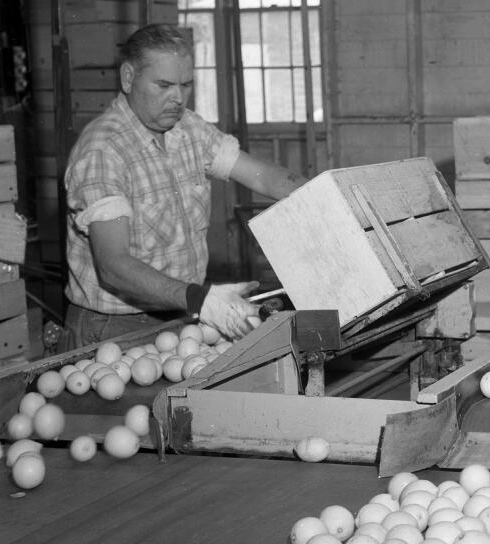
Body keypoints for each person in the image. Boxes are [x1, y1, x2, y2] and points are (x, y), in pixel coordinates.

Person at [61, 24, 306, 350]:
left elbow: (261, 176)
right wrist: (201, 300)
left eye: (185, 85)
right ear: (128, 78)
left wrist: (330, 196)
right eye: (163, 85)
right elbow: (113, 266)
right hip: (113, 328)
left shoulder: (187, 129)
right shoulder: (104, 150)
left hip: (181, 311)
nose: (177, 98)